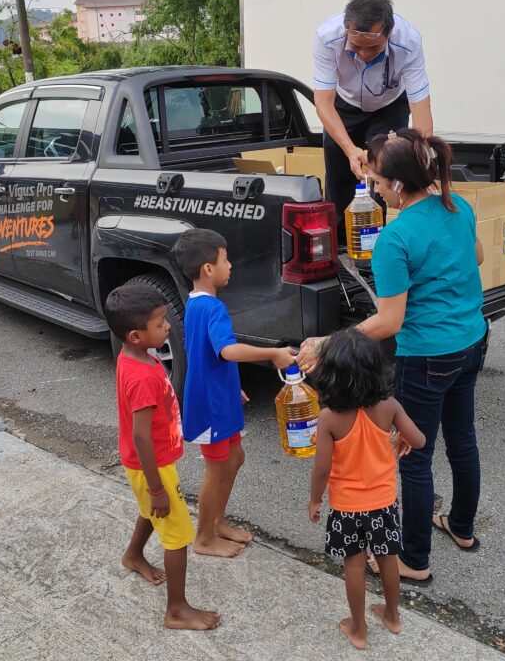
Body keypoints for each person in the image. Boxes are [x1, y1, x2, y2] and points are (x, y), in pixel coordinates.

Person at [299, 128, 488, 586]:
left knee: (415, 457)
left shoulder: (395, 238)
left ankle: (415, 559)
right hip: (473, 340)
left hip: (428, 354)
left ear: (398, 184)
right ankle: (461, 528)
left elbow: (389, 321)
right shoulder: (457, 206)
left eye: (378, 181)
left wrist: (328, 342)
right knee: (461, 437)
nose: (375, 189)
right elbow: (477, 257)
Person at [172, 229, 296, 558]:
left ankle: (217, 523)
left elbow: (203, 355)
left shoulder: (196, 304)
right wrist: (273, 354)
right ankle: (204, 537)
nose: (232, 266)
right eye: (226, 260)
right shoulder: (212, 310)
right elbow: (226, 351)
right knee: (218, 468)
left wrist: (230, 385)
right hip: (210, 407)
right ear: (209, 269)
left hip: (220, 397)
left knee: (235, 459)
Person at [104, 283, 221, 631]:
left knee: (150, 512)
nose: (168, 325)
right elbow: (141, 435)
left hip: (150, 463)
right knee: (177, 535)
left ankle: (133, 555)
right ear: (136, 335)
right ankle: (176, 609)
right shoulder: (141, 375)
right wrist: (156, 486)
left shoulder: (138, 356)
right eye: (160, 323)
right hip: (148, 465)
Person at [308, 330, 426, 650]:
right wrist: (400, 435)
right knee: (389, 559)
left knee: (354, 565)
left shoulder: (329, 418)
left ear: (331, 375)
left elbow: (321, 469)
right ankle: (392, 615)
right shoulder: (389, 407)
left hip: (347, 507)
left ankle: (358, 630)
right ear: (378, 371)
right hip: (384, 503)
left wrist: (315, 499)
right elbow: (419, 441)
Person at [312, 0, 433, 236]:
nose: (365, 54)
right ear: (346, 31)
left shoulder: (408, 41)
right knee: (338, 182)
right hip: (343, 106)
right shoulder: (326, 38)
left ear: (388, 33)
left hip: (388, 105)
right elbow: (323, 102)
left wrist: (423, 167)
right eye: (356, 47)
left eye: (374, 48)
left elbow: (421, 110)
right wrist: (350, 150)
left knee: (381, 176)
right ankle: (338, 252)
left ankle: (376, 246)